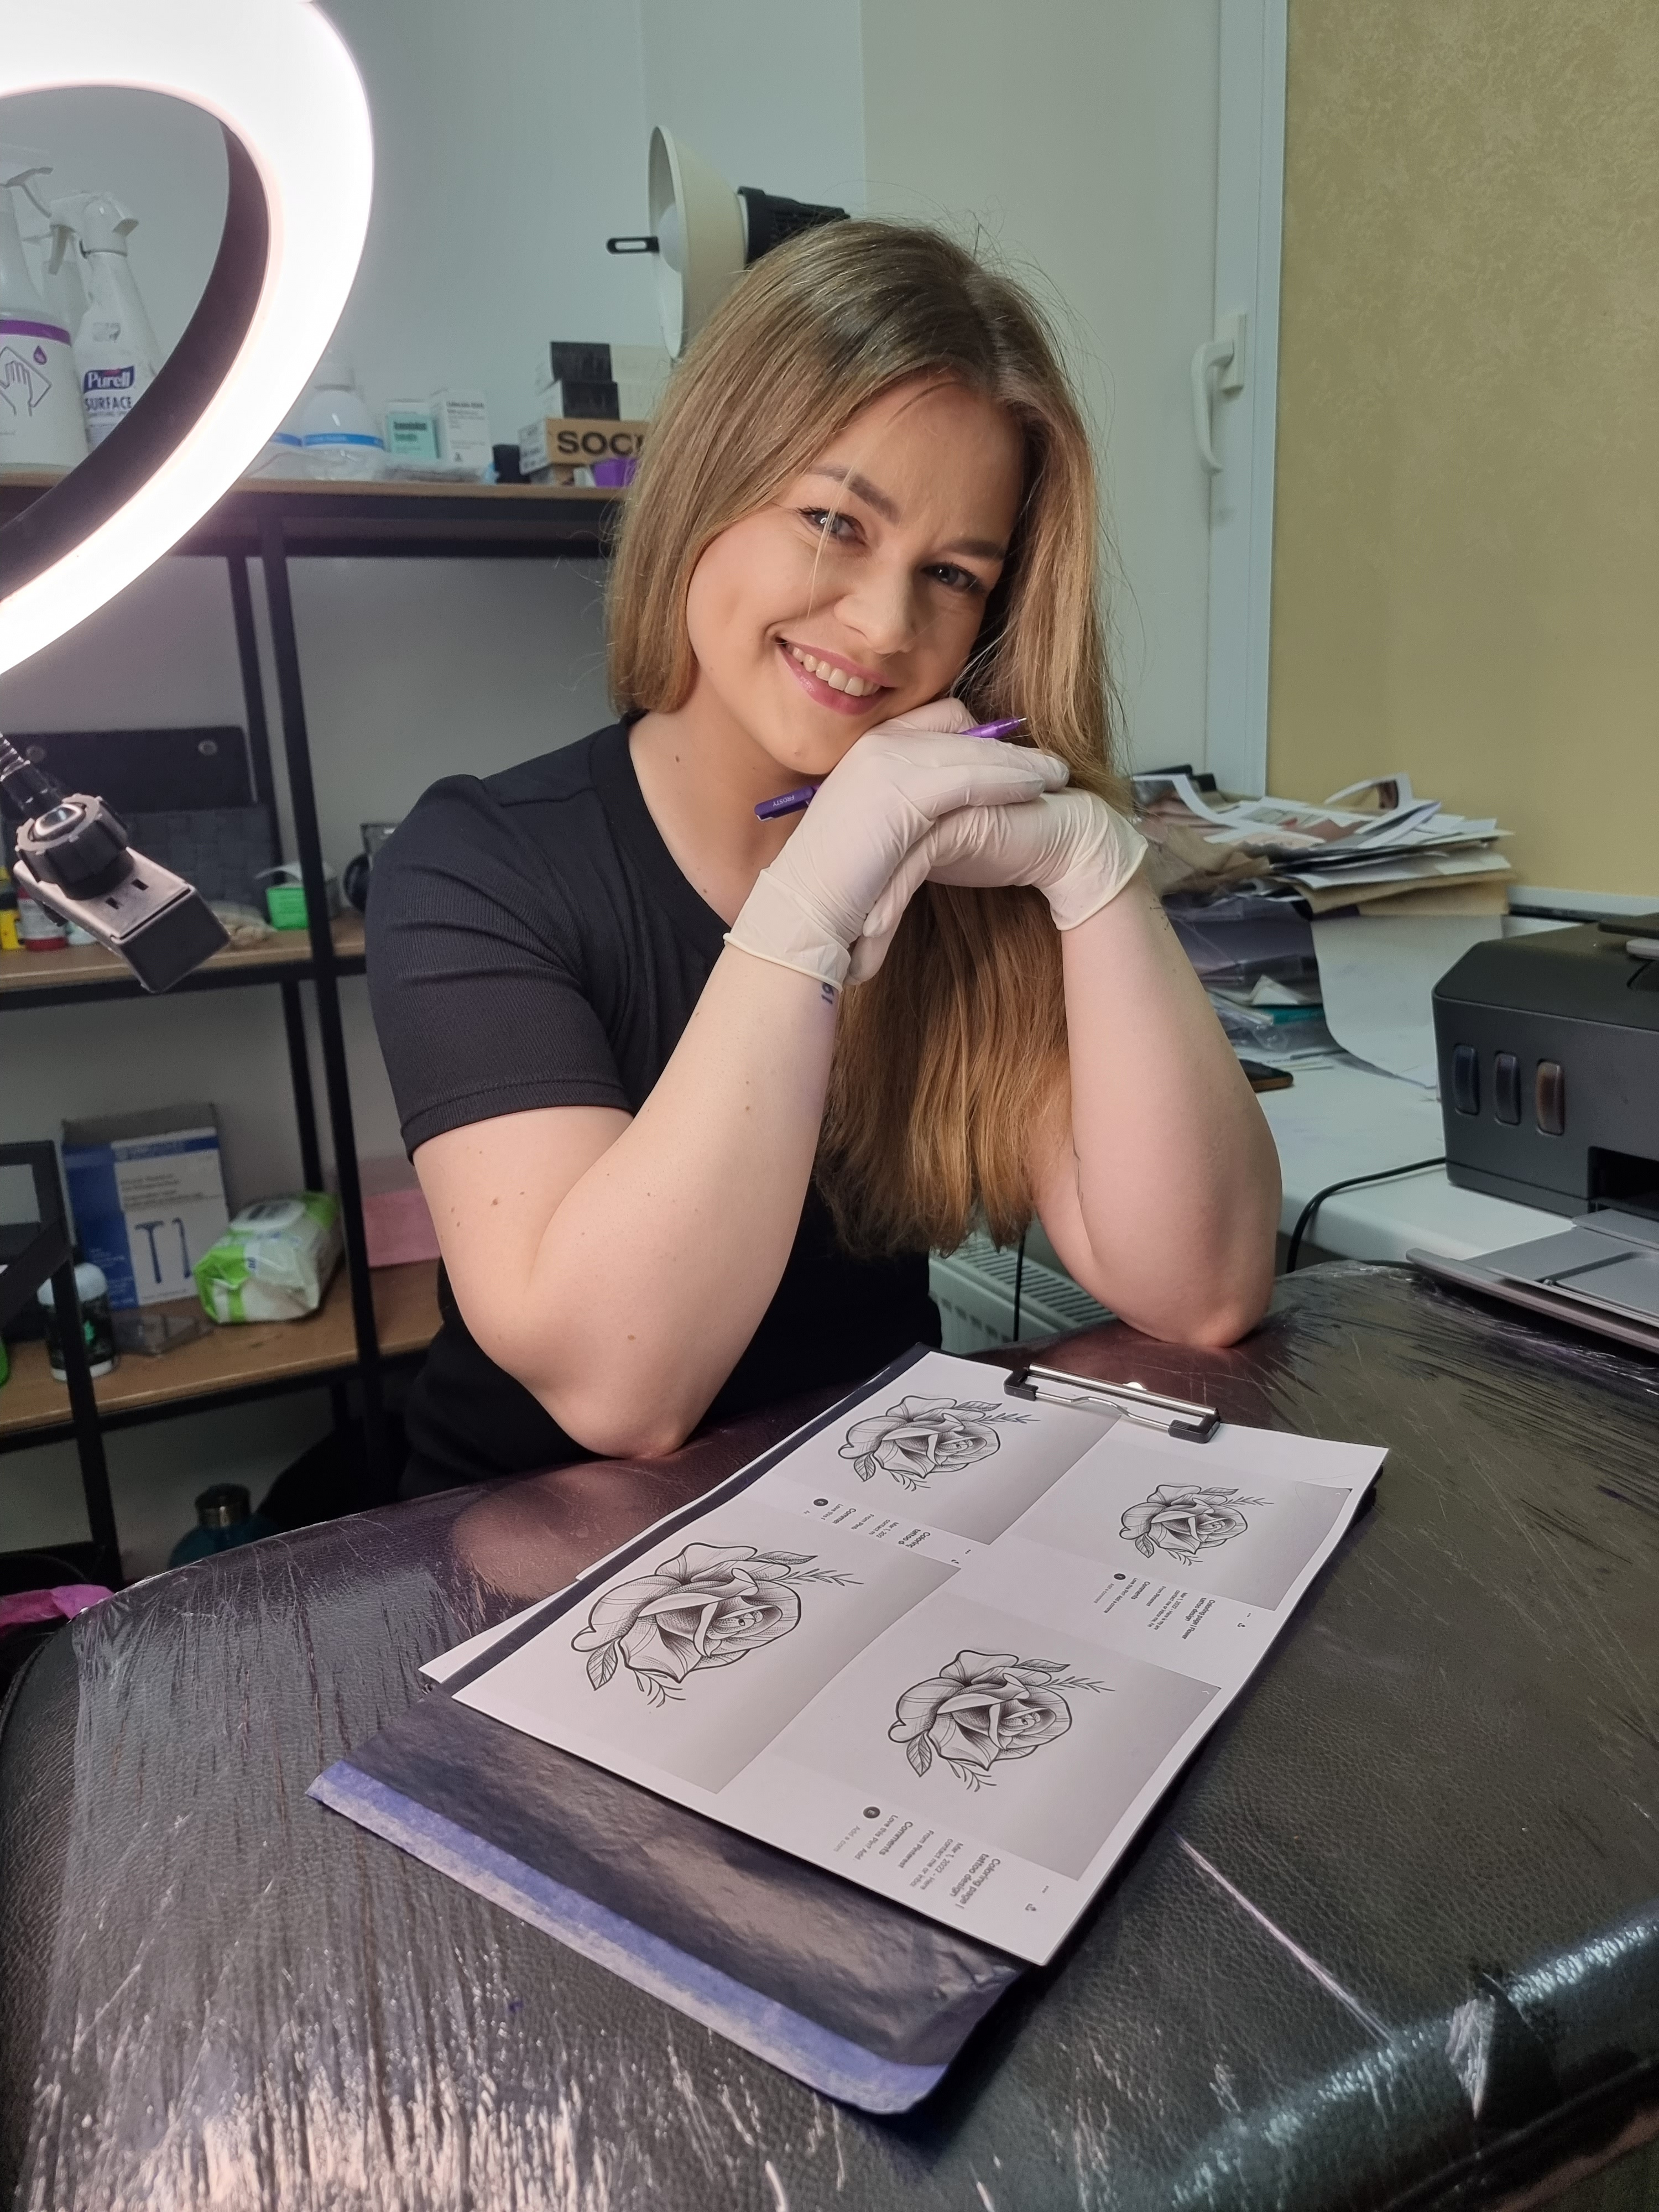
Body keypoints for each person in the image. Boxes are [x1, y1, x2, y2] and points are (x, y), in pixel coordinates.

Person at [367, 220, 1281, 1492]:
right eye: (835, 521)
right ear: (704, 485)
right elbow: (623, 1389)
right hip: (533, 1546)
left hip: (882, 1509)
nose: (885, 623)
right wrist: (810, 901)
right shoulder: (474, 866)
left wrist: (1096, 867)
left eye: (951, 573)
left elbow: (1205, 1289)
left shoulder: (971, 870)